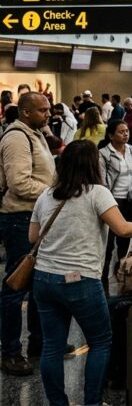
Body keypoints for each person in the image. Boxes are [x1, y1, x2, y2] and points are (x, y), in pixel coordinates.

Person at [30, 140, 132, 405]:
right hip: (80, 280)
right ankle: (92, 402)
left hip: (44, 278)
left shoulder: (47, 195)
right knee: (100, 341)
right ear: (93, 165)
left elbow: (33, 236)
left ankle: (57, 402)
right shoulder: (97, 193)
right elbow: (122, 229)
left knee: (52, 346)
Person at [0, 92, 57, 375]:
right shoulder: (16, 138)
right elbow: (19, 183)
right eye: (42, 110)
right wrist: (56, 192)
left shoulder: (36, 133)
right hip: (20, 219)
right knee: (16, 286)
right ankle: (10, 352)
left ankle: (39, 343)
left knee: (38, 286)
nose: (48, 114)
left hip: (37, 216)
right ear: (25, 112)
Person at [99, 119, 132, 293]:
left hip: (129, 201)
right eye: (121, 131)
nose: (125, 134)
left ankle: (124, 279)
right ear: (111, 135)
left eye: (127, 131)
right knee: (108, 245)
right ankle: (103, 283)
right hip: (112, 201)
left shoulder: (131, 150)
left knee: (126, 243)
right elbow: (102, 181)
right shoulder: (104, 154)